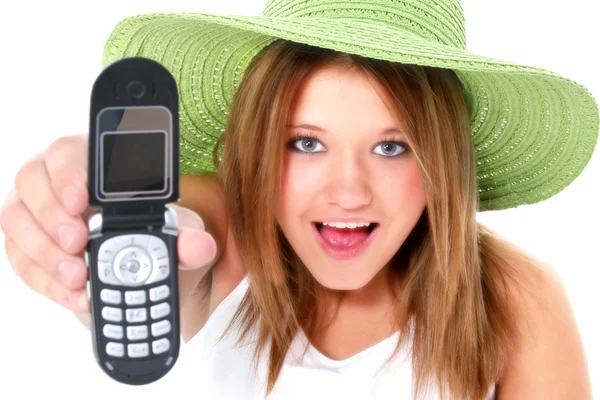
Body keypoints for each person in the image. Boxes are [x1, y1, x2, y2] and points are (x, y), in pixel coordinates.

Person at [1, 0, 596, 399]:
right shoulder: (229, 238)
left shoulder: (515, 297)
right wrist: (94, 210)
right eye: (306, 143)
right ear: (259, 143)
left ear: (442, 161)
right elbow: (177, 231)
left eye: (392, 149)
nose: (347, 192)